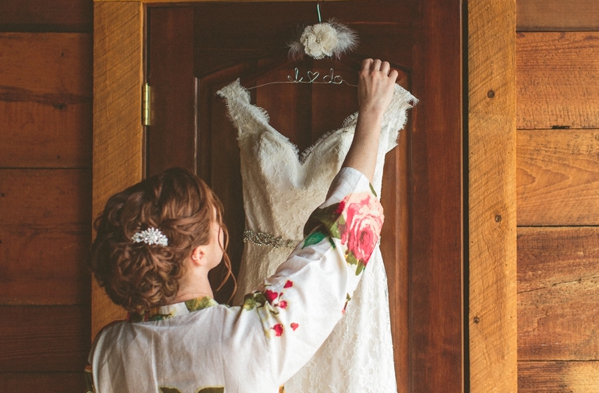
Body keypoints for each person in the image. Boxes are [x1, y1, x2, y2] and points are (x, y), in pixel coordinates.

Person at [86, 59, 398, 393]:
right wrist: (372, 114)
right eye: (214, 218)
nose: (222, 226)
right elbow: (340, 238)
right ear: (198, 253)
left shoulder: (108, 349)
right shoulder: (252, 338)